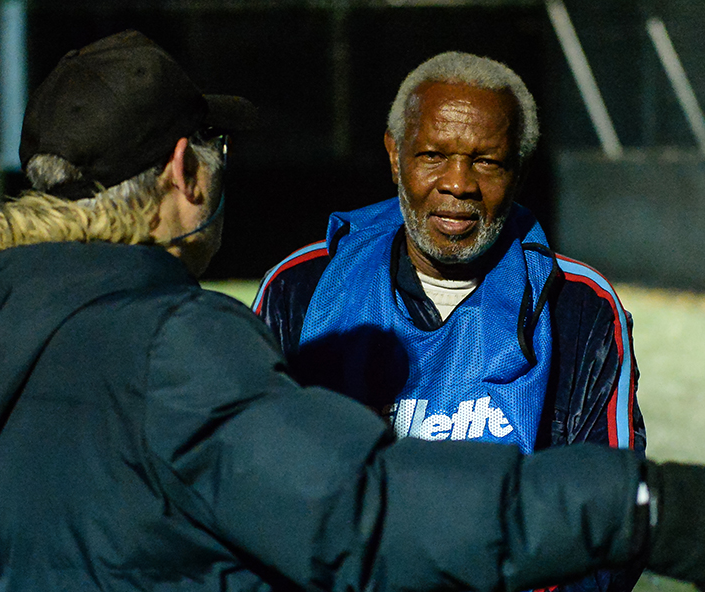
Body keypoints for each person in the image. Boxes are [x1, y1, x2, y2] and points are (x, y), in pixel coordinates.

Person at [0, 31, 705, 592]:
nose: (457, 183)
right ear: (185, 171)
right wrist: (642, 505)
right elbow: (361, 512)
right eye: (216, 147)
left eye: (487, 161)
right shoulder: (178, 343)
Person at [255, 52, 649, 591]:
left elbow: (609, 516)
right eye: (434, 155)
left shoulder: (577, 306)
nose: (458, 183)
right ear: (395, 157)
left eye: (486, 161)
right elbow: (253, 499)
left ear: (520, 170)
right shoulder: (300, 289)